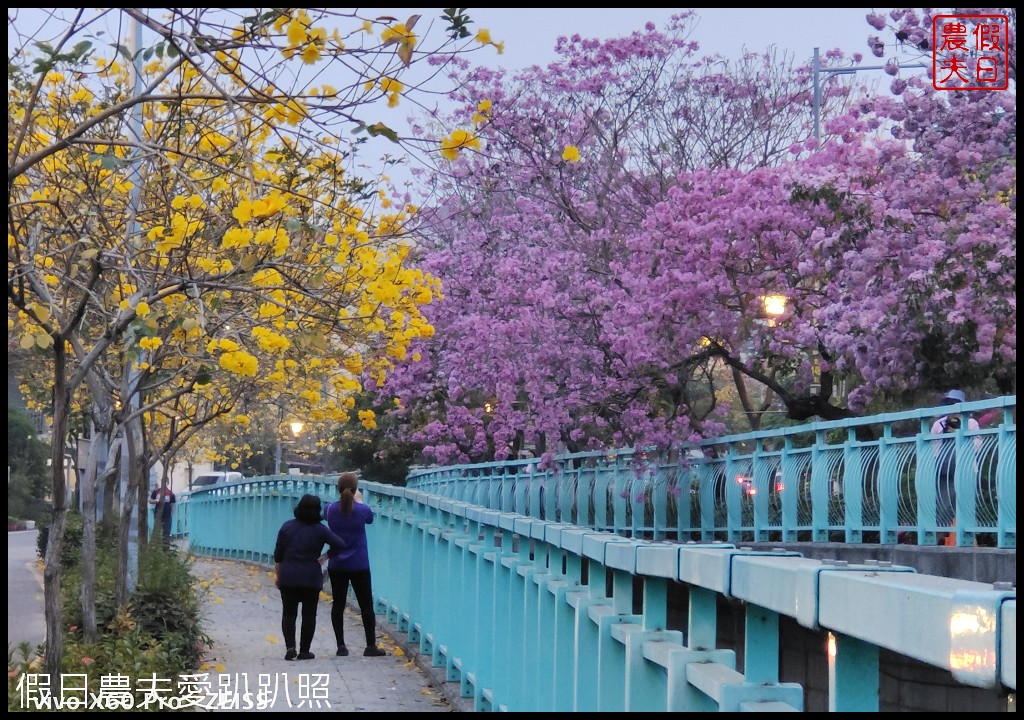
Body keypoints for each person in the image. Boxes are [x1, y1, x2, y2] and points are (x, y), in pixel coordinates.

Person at [274, 494, 346, 660]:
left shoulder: (287, 527)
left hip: (289, 576)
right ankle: (305, 651)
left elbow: (278, 554)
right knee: (309, 614)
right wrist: (326, 556)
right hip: (310, 577)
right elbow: (340, 544)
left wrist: (279, 571)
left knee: (289, 613)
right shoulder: (321, 529)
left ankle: (290, 647)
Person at [324, 472, 387, 657]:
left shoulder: (329, 510)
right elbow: (369, 519)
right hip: (359, 564)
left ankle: (341, 646)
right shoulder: (362, 510)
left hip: (337, 565)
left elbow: (325, 515)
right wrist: (359, 501)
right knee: (366, 605)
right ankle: (370, 646)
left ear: (338, 489)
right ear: (355, 489)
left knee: (338, 603)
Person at [929, 389, 981, 545]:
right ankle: (941, 537)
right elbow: (935, 447)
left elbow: (977, 446)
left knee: (963, 503)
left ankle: (964, 539)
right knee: (947, 504)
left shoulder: (970, 423)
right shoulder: (941, 424)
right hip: (948, 470)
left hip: (960, 468)